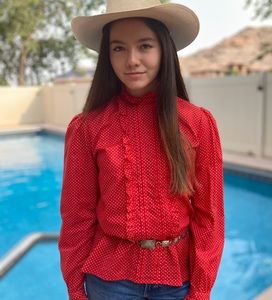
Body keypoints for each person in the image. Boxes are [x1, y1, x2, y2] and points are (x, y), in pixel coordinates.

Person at [58, 1, 225, 299]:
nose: (132, 60)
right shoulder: (87, 127)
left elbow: (209, 216)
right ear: (107, 56)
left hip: (178, 282)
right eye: (119, 48)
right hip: (108, 282)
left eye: (145, 46)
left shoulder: (198, 123)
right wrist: (75, 287)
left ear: (164, 49)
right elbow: (77, 215)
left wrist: (201, 289)